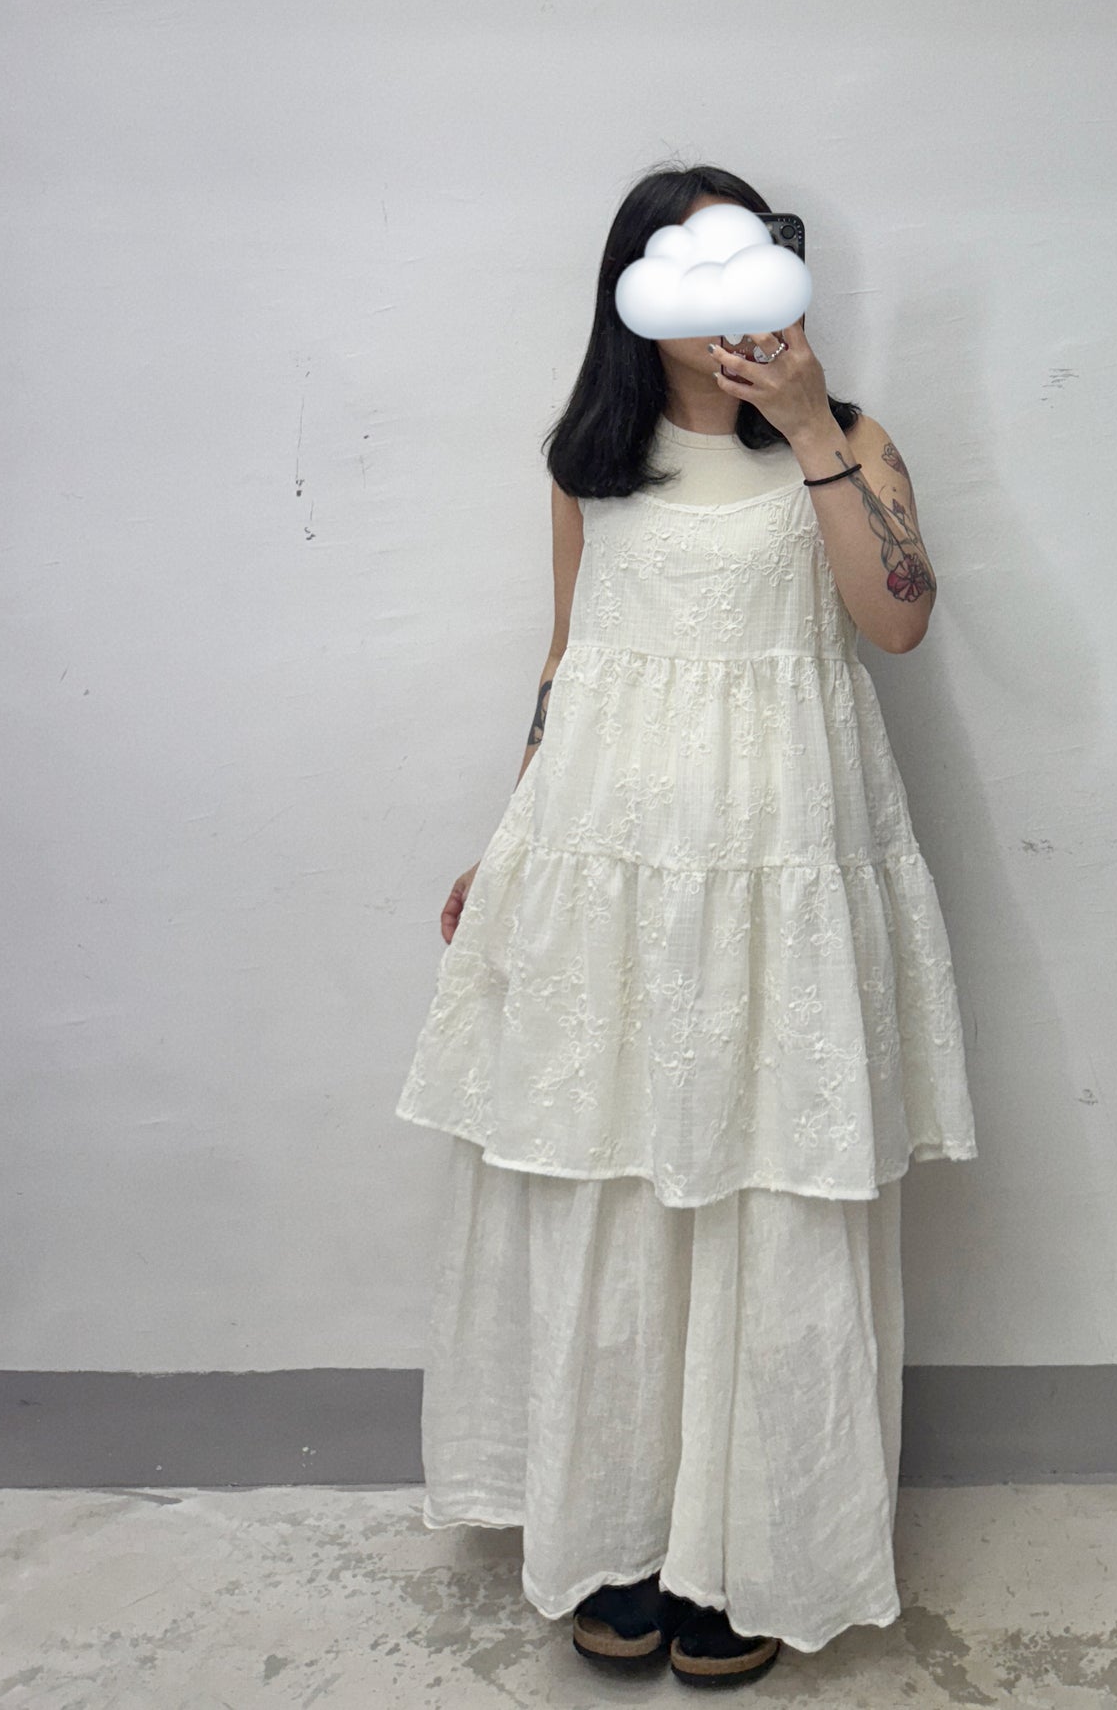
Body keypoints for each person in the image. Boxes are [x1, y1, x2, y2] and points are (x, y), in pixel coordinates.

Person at [394, 162, 979, 1685]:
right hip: (621, 863)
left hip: (786, 859)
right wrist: (511, 841)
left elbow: (899, 617)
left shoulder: (849, 442)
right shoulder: (591, 461)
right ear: (634, 292)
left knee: (772, 1183)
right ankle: (628, 1534)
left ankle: (755, 1548)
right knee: (621, 1181)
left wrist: (809, 428)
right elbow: (568, 657)